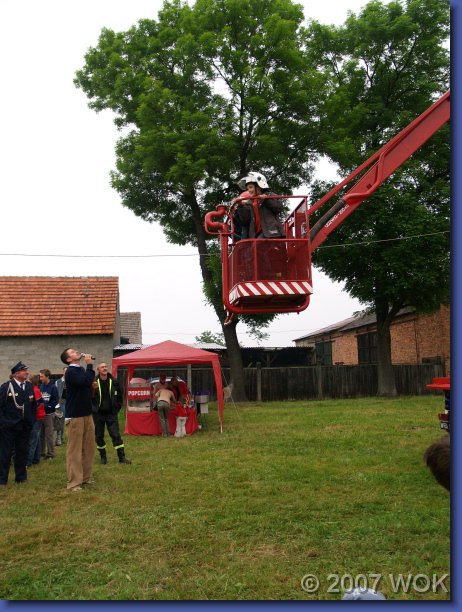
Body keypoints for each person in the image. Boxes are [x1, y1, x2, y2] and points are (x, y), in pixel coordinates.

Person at [60, 348, 96, 492]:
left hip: (87, 413)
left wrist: (91, 386)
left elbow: (84, 384)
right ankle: (74, 483)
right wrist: (90, 365)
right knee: (74, 450)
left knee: (88, 448)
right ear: (68, 359)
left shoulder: (80, 370)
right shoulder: (71, 371)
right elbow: (83, 381)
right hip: (75, 415)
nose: (77, 352)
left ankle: (86, 477)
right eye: (73, 352)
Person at [0, 361, 37, 487]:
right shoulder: (6, 387)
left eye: (26, 370)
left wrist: (31, 420)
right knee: (5, 453)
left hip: (24, 426)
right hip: (9, 426)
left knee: (22, 452)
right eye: (24, 370)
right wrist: (4, 422)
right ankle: (2, 480)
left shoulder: (29, 386)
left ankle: (21, 477)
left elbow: (33, 405)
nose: (27, 372)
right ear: (16, 374)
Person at [92, 362, 131, 465]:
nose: (105, 368)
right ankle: (103, 457)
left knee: (116, 435)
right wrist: (93, 408)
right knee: (99, 436)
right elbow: (90, 396)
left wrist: (117, 408)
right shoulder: (94, 382)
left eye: (106, 366)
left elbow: (120, 395)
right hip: (98, 414)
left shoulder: (114, 381)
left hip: (111, 414)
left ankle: (122, 458)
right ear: (98, 370)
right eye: (102, 367)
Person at [237, 171, 285, 239]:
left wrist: (266, 199)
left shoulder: (270, 195)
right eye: (247, 189)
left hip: (271, 233)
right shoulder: (250, 202)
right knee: (254, 245)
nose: (249, 190)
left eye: (250, 187)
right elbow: (245, 220)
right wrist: (240, 205)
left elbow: (279, 208)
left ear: (259, 186)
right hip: (257, 234)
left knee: (257, 244)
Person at [39, 368, 59, 459]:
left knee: (49, 435)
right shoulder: (41, 386)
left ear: (47, 377)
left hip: (49, 414)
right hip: (41, 414)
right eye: (40, 376)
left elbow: (55, 401)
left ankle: (51, 454)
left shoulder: (53, 387)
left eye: (42, 377)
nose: (40, 378)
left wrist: (47, 406)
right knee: (41, 435)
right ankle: (41, 453)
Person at [26, 374, 45, 468]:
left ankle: (28, 462)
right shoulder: (35, 390)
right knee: (36, 438)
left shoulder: (35, 391)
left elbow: (37, 405)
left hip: (37, 417)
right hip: (38, 416)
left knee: (32, 439)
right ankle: (36, 458)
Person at [54, 367, 67, 446]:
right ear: (63, 372)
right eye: (66, 371)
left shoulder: (72, 381)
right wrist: (57, 404)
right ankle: (59, 438)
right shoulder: (58, 382)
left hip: (70, 403)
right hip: (61, 403)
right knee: (60, 422)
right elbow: (55, 394)